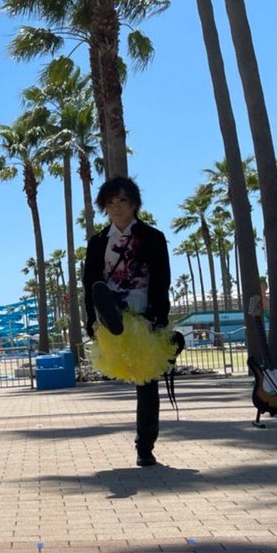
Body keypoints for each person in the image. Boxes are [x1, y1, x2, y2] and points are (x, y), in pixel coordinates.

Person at [81, 176, 171, 467]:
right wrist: (91, 322)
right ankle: (110, 316)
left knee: (147, 383)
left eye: (122, 200)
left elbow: (162, 280)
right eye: (110, 202)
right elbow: (89, 284)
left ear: (134, 204)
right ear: (104, 208)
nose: (117, 207)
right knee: (100, 292)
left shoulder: (152, 237)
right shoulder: (98, 242)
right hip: (110, 312)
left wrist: (156, 316)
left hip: (143, 315)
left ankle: (145, 447)